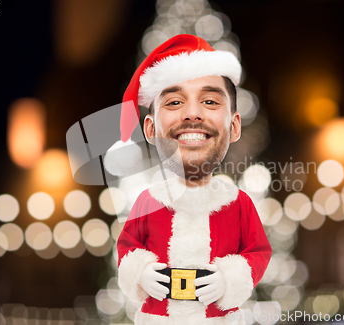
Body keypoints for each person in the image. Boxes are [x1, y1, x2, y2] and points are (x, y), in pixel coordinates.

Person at [109, 34, 272, 325]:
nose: (193, 114)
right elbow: (127, 247)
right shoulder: (149, 201)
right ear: (150, 129)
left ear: (234, 126)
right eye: (174, 102)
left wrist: (229, 280)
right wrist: (141, 272)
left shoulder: (238, 203)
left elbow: (258, 252)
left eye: (210, 101)